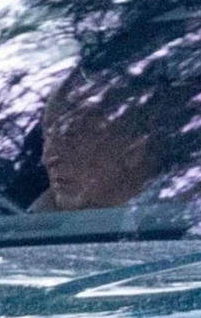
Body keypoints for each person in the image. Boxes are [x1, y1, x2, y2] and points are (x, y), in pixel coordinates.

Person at [30, 69, 162, 212]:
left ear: (134, 150)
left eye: (70, 136)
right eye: (47, 136)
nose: (47, 158)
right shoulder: (27, 221)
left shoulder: (172, 217)